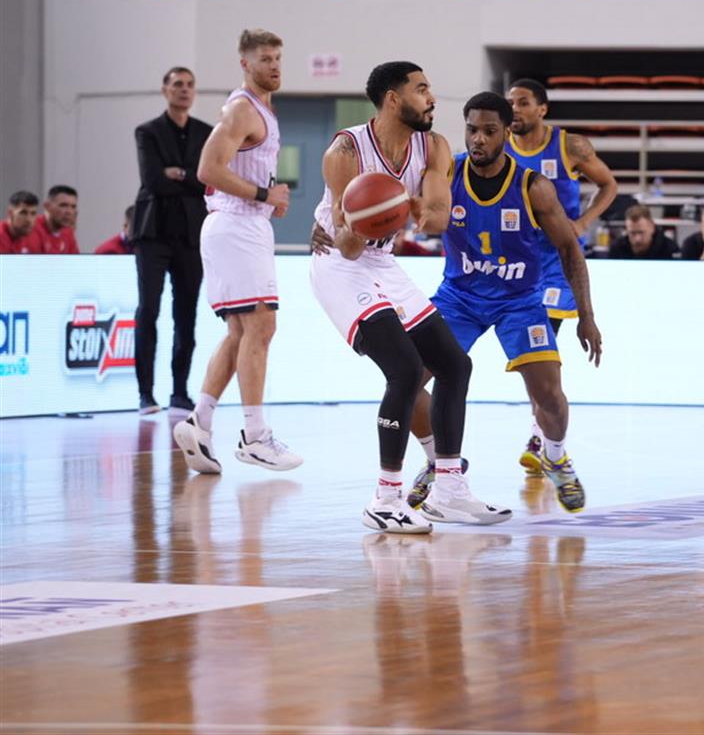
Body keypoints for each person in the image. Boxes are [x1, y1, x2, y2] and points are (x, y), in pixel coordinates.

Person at [309, 61, 506, 534]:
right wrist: (364, 217)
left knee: (455, 365)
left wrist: (403, 207)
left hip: (383, 262)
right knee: (403, 369)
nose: (432, 98)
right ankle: (385, 498)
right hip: (339, 264)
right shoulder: (345, 151)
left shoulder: (434, 146)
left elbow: (437, 219)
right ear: (394, 99)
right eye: (422, 89)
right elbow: (348, 245)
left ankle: (448, 489)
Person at [411, 92, 602, 514]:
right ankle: (440, 462)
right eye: (472, 130)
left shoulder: (533, 186)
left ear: (506, 132)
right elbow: (393, 198)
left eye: (489, 131)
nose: (478, 139)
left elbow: (570, 250)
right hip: (458, 298)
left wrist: (586, 316)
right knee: (406, 382)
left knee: (550, 396)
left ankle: (555, 456)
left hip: (519, 301)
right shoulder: (446, 173)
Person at [172, 28, 303, 476]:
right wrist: (264, 194)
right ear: (245, 63)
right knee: (262, 326)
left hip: (242, 225)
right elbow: (207, 169)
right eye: (265, 59)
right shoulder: (241, 108)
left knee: (240, 333)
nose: (274, 66)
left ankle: (200, 421)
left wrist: (267, 198)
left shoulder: (262, 108)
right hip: (235, 225)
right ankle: (255, 435)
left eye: (278, 57)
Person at [505, 78, 617, 478]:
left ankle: (540, 437)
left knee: (542, 342)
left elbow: (608, 184)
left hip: (556, 261)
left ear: (542, 109)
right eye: (510, 102)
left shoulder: (570, 146)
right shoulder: (499, 145)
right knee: (530, 352)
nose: (514, 109)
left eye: (522, 102)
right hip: (518, 261)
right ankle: (543, 432)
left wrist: (584, 221)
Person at [133, 66, 214, 415]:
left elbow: (208, 181)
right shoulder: (147, 131)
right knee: (148, 310)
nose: (184, 90)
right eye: (177, 84)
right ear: (165, 90)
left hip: (190, 234)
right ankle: (145, 394)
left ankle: (179, 392)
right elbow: (153, 181)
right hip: (152, 232)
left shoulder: (206, 132)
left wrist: (179, 173)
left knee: (186, 314)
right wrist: (189, 177)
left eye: (190, 85)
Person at [607, 203, 679, 259]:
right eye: (632, 233)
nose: (637, 239)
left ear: (652, 227)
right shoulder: (617, 248)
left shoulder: (669, 248)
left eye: (641, 232)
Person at [31, 185, 79, 254]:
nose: (69, 211)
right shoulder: (32, 229)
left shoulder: (68, 232)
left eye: (73, 207)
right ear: (47, 206)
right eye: (63, 205)